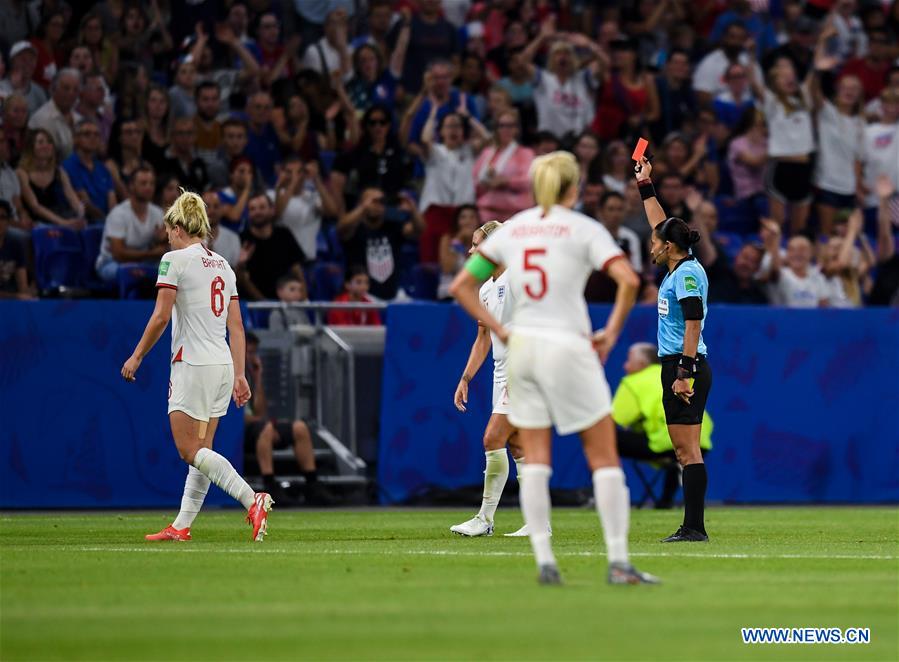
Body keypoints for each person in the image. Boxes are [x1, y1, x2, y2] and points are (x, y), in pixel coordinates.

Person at [450, 151, 656, 585]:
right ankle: (619, 563)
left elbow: (460, 284)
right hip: (569, 346)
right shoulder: (584, 228)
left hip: (525, 353)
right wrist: (610, 333)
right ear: (573, 188)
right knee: (603, 455)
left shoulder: (514, 230)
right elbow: (630, 280)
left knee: (534, 455)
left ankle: (545, 564)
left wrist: (503, 333)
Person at [121, 189, 273, 542]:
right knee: (202, 451)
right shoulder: (223, 265)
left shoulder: (174, 260)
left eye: (168, 230)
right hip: (222, 365)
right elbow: (237, 327)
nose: (167, 237)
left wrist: (137, 355)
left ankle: (252, 499)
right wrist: (240, 374)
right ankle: (181, 525)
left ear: (177, 227)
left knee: (189, 450)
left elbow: (161, 316)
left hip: (192, 364)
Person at [635, 154, 713, 543]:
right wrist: (645, 184)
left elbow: (693, 323)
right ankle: (693, 526)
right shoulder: (678, 266)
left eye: (655, 242)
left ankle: (694, 528)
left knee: (686, 452)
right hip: (681, 364)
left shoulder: (686, 276)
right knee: (685, 451)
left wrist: (684, 373)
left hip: (685, 366)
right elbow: (659, 221)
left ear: (668, 247)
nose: (650, 245)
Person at [450, 220, 530, 538]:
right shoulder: (484, 289)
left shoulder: (518, 279)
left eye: (476, 244)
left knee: (492, 438)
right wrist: (466, 378)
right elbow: (483, 338)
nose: (471, 251)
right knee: (518, 444)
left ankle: (484, 519)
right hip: (500, 372)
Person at [613, 343, 712, 509]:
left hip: (666, 442)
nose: (625, 365)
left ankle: (605, 492)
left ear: (641, 363)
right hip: (700, 441)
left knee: (604, 438)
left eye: (628, 360)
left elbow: (616, 419)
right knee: (679, 455)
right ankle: (666, 500)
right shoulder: (673, 375)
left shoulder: (633, 382)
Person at [244, 332, 327, 505]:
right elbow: (235, 418)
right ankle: (269, 484)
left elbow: (260, 411)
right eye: (248, 352)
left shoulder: (250, 376)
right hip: (242, 431)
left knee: (299, 427)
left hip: (259, 426)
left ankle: (312, 484)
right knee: (266, 428)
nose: (252, 357)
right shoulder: (229, 373)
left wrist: (258, 378)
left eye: (254, 353)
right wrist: (264, 424)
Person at [417, 109, 487, 262]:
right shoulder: (435, 151)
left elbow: (487, 138)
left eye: (457, 126)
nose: (453, 130)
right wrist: (433, 113)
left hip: (463, 216)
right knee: (431, 261)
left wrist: (469, 117)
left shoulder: (469, 151)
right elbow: (425, 139)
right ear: (441, 131)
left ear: (463, 131)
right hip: (436, 212)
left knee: (464, 261)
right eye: (449, 126)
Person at [337, 187, 425, 301]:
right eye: (372, 201)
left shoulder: (392, 226)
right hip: (363, 297)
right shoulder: (354, 229)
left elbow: (419, 230)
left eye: (381, 202)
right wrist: (362, 208)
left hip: (393, 295)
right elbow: (341, 228)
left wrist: (413, 210)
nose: (377, 205)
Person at [329, 105, 413, 215]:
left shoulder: (397, 149)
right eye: (373, 123)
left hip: (392, 207)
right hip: (364, 207)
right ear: (367, 126)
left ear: (389, 125)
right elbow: (351, 113)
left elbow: (409, 116)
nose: (378, 126)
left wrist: (422, 95)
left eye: (382, 122)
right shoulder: (358, 153)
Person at [96, 166, 166, 282]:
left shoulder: (158, 213)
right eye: (143, 183)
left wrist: (162, 240)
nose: (148, 187)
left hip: (144, 262)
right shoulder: (118, 214)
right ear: (131, 186)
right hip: (112, 262)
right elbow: (118, 254)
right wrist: (151, 253)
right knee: (129, 272)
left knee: (169, 270)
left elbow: (163, 248)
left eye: (152, 183)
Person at [238, 192, 307, 301]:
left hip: (286, 300)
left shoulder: (284, 235)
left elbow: (297, 270)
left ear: (272, 210)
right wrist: (265, 304)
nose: (257, 212)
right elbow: (242, 279)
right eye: (252, 209)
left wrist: (304, 299)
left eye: (262, 207)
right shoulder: (241, 240)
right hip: (253, 304)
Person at [472, 108, 535, 223]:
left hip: (514, 215)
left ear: (517, 129)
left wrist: (505, 181)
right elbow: (474, 180)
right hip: (486, 214)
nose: (506, 129)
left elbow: (528, 181)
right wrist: (486, 182)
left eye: (510, 126)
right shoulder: (487, 153)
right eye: (502, 125)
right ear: (496, 129)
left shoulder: (525, 153)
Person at [274, 155, 338, 264]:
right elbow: (277, 214)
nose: (294, 176)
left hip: (309, 261)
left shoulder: (313, 197)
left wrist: (317, 180)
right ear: (282, 173)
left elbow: (332, 212)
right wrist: (293, 183)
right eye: (289, 172)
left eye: (299, 172)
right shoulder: (273, 195)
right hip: (283, 262)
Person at [16, 128, 85, 229]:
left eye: (49, 142)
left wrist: (80, 214)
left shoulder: (59, 171)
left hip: (59, 215)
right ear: (31, 147)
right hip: (36, 221)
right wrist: (63, 222)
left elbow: (72, 197)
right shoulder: (22, 172)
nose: (46, 145)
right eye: (40, 142)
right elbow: (35, 206)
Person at [759, 218, 830, 307]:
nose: (797, 254)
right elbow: (775, 271)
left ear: (811, 253)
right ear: (787, 254)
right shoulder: (782, 275)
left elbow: (824, 309)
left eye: (802, 249)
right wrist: (776, 237)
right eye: (792, 250)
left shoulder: (818, 277)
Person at [62, 119, 116, 222]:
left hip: (106, 221)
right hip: (83, 222)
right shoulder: (68, 166)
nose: (93, 137)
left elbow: (112, 198)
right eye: (87, 134)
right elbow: (85, 202)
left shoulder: (103, 168)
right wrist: (106, 220)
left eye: (96, 134)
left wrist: (113, 220)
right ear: (75, 139)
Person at [28, 68, 81, 159]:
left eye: (75, 90)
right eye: (66, 88)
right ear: (53, 89)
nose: (71, 93)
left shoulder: (79, 118)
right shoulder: (42, 119)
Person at [437, 205, 479, 300]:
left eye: (472, 217)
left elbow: (482, 272)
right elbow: (447, 268)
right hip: (449, 295)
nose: (468, 221)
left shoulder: (485, 241)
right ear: (457, 221)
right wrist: (457, 241)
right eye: (463, 217)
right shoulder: (447, 240)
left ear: (478, 221)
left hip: (476, 293)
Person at [0, 41, 47, 114]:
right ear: (12, 61)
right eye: (23, 59)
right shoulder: (1, 87)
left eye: (31, 59)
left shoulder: (39, 92)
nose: (28, 63)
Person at [0, 200, 34, 300]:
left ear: (8, 222)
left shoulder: (16, 244)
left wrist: (27, 294)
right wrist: (15, 296)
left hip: (10, 300)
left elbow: (22, 287)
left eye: (2, 218)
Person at [202, 190, 240, 267]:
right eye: (207, 206)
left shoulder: (233, 238)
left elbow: (236, 271)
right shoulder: (189, 237)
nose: (212, 210)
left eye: (216, 206)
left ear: (222, 210)